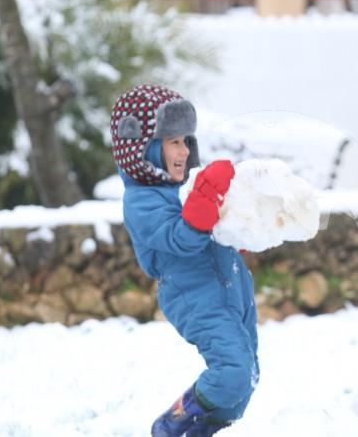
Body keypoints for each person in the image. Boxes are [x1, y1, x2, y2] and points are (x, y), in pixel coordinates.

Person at [110, 84, 259, 437]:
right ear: (143, 148)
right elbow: (181, 238)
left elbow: (213, 228)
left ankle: (197, 431)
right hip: (195, 296)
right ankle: (170, 425)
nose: (184, 150)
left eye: (186, 141)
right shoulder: (141, 200)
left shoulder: (185, 186)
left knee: (244, 382)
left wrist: (239, 230)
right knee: (231, 373)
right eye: (172, 141)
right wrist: (207, 196)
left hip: (232, 287)